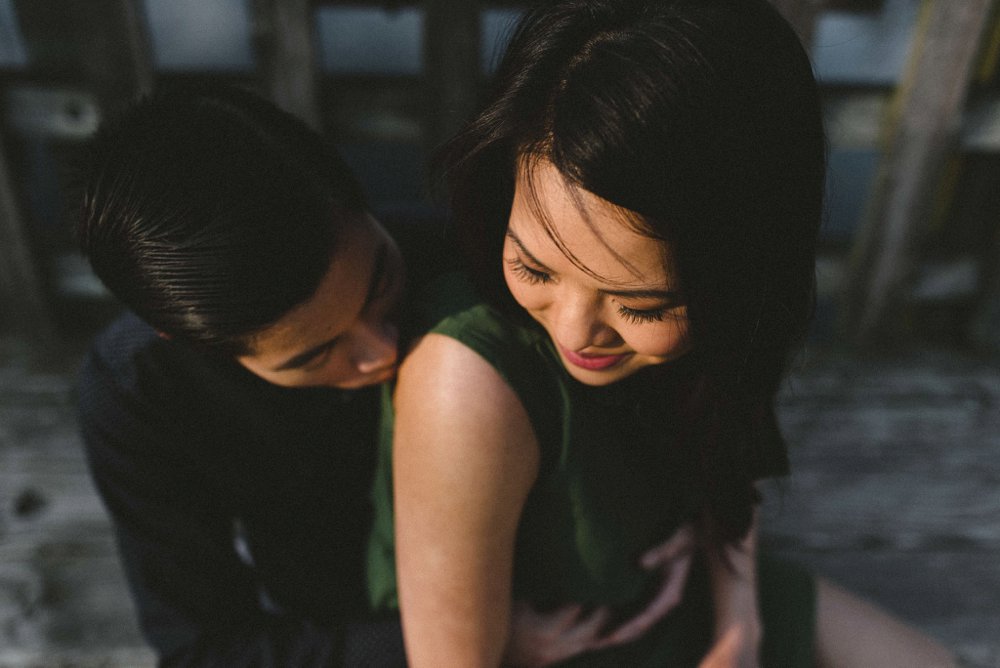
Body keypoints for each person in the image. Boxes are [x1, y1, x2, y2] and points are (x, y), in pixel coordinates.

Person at [366, 0, 959, 666]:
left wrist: (739, 626)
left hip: (693, 596)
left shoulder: (724, 319)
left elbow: (732, 434)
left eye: (641, 307)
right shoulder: (466, 386)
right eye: (534, 266)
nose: (575, 330)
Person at [75, 84, 694, 667]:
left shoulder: (480, 257)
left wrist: (703, 512)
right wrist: (463, 628)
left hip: (558, 586)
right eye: (314, 356)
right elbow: (205, 649)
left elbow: (656, 373)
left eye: (381, 287)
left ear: (359, 198)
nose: (382, 350)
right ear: (191, 346)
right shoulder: (139, 394)